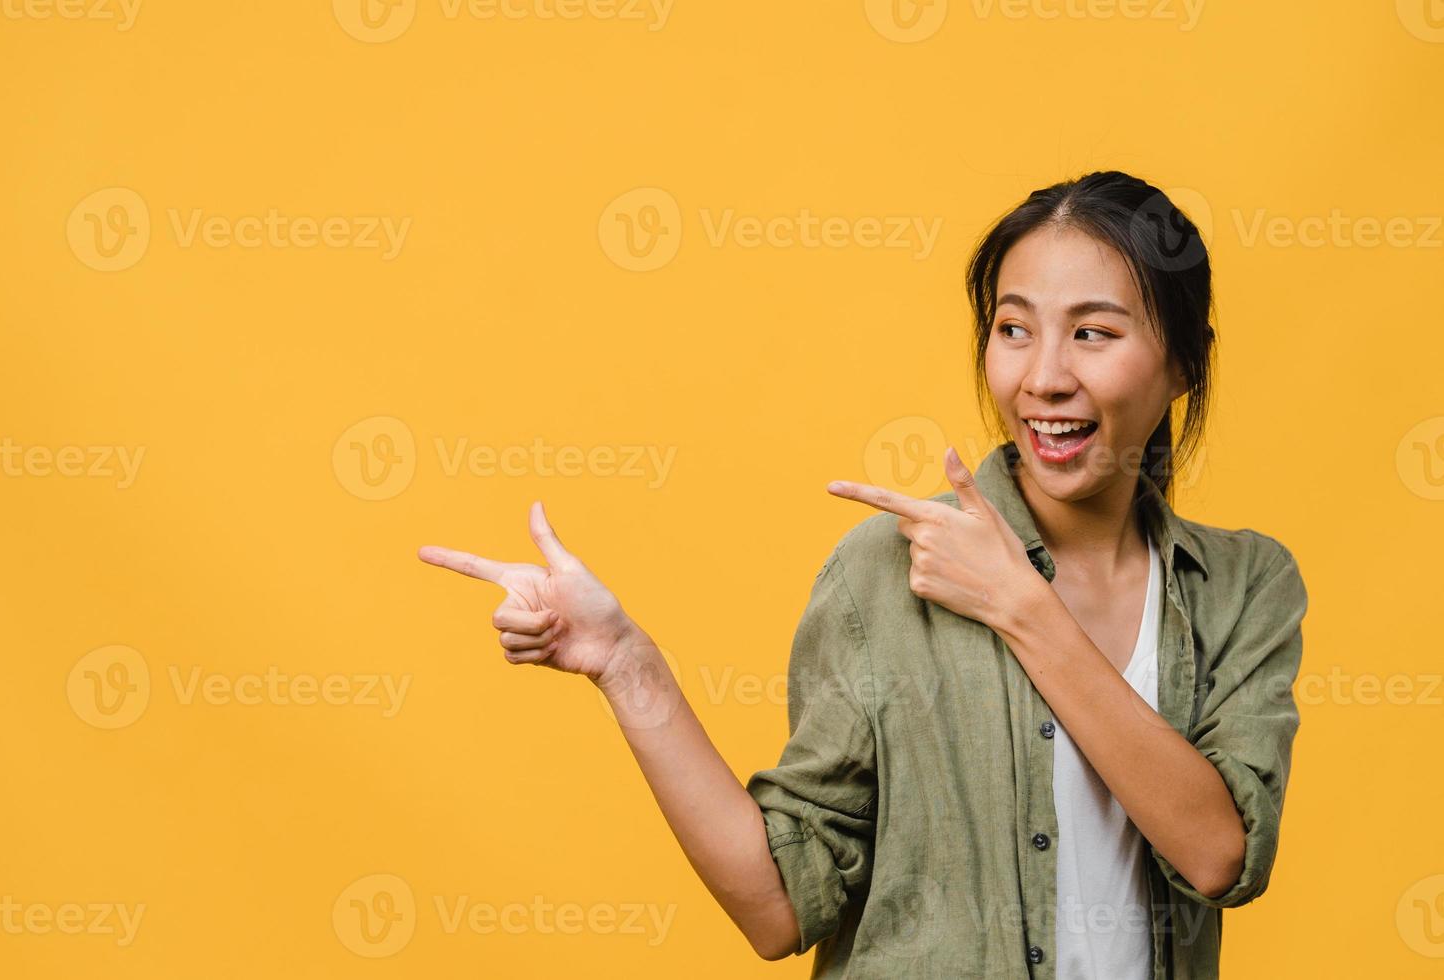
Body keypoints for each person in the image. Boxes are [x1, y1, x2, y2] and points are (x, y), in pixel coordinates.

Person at [417, 170, 1309, 979]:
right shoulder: (885, 572)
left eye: (1092, 333)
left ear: (1185, 362)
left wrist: (1020, 606)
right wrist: (622, 659)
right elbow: (777, 908)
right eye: (1012, 329)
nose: (1044, 377)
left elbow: (1215, 854)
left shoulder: (1240, 586)